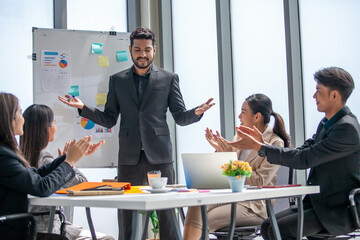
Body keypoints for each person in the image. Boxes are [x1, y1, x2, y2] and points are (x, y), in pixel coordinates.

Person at [58, 27, 215, 239]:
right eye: (138, 49)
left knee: (167, 214)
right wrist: (83, 107)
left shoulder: (169, 78)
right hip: (129, 158)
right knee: (127, 215)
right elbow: (109, 118)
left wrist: (196, 113)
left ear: (154, 50)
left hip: (159, 156)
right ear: (130, 50)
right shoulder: (118, 80)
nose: (143, 54)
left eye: (147, 50)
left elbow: (179, 116)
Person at [231, 67, 360, 239]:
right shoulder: (327, 123)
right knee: (268, 225)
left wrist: (260, 148)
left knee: (281, 230)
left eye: (318, 91)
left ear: (334, 95)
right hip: (320, 204)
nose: (314, 96)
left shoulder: (346, 129)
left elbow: (304, 159)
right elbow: (301, 151)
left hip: (339, 209)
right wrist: (261, 145)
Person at [183, 93, 290, 240]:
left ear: (257, 117)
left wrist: (232, 161)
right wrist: (221, 150)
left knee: (204, 219)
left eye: (243, 112)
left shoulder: (275, 143)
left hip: (253, 205)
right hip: (231, 196)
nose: (239, 116)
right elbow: (223, 170)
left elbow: (260, 181)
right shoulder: (239, 137)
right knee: (196, 205)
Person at [0, 92, 99, 240]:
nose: (23, 120)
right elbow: (42, 187)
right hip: (13, 232)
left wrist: (68, 157)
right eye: (19, 113)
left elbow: (36, 174)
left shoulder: (7, 153)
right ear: (10, 119)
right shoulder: (4, 157)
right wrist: (69, 162)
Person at [19, 104, 113, 240]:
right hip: (50, 230)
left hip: (37, 227)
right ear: (46, 128)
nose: (56, 127)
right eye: (54, 123)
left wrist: (62, 161)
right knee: (107, 238)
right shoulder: (45, 158)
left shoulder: (20, 157)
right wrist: (70, 162)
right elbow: (82, 184)